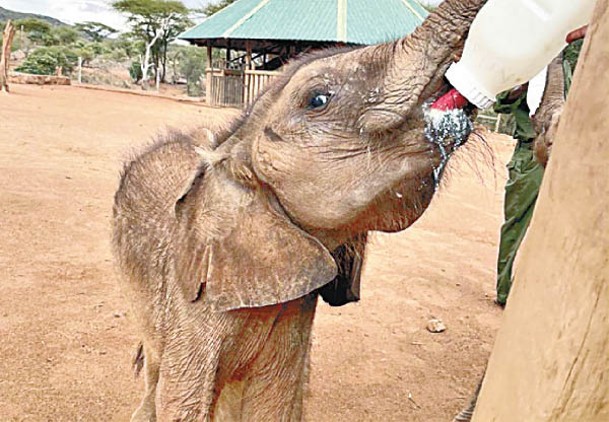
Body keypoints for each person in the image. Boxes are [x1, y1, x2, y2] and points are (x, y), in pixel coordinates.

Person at [493, 25, 587, 306]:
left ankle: (547, 292)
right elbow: (502, 103)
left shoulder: (577, 61)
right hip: (532, 152)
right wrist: (515, 88)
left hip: (568, 157)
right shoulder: (531, 60)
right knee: (517, 223)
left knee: (564, 226)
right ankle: (505, 290)